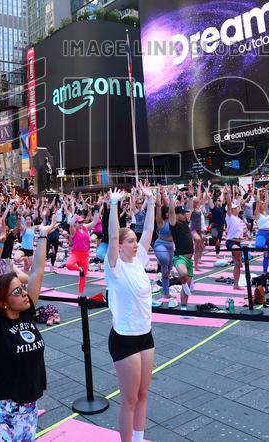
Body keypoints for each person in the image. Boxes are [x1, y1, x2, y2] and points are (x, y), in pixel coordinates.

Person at [0, 203, 54, 440]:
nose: (24, 294)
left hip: (28, 413)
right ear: (3, 302)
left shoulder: (26, 313)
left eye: (23, 290)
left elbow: (38, 272)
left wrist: (41, 235)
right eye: (17, 292)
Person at [106, 186, 156, 442]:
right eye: (131, 242)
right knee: (129, 399)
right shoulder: (114, 266)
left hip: (145, 335)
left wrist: (151, 201)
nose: (136, 244)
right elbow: (113, 237)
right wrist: (114, 205)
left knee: (144, 394)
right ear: (122, 245)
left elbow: (148, 230)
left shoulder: (139, 259)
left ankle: (138, 439)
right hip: (124, 337)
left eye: (135, 242)